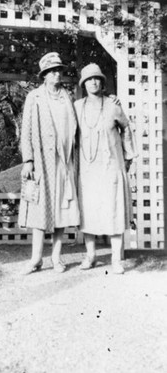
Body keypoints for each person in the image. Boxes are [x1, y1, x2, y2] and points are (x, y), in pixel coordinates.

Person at [18, 52, 80, 274]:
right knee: (39, 208)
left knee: (61, 209)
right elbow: (26, 132)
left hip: (63, 161)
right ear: (44, 75)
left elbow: (77, 122)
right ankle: (36, 259)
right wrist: (28, 160)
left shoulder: (67, 97)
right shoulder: (34, 97)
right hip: (42, 161)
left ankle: (56, 257)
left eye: (58, 70)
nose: (56, 74)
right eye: (52, 71)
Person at [74, 63, 136, 274]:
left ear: (102, 83)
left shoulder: (112, 105)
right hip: (88, 167)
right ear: (83, 84)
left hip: (111, 166)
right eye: (89, 79)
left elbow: (126, 129)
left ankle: (116, 258)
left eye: (97, 79)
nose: (93, 82)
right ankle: (90, 256)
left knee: (113, 209)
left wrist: (128, 156)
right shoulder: (76, 107)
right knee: (89, 210)